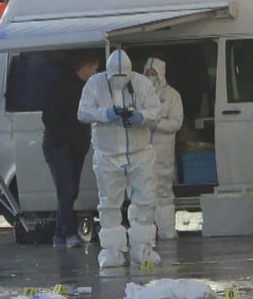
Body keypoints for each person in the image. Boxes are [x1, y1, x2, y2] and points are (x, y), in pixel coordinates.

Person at [78, 49, 162, 268]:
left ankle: (142, 248)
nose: (119, 81)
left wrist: (140, 116)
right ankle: (112, 250)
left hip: (140, 153)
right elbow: (83, 112)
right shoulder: (95, 85)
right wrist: (106, 114)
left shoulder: (142, 84)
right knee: (108, 205)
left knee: (146, 201)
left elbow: (156, 111)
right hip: (107, 155)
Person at [41, 52, 100, 248]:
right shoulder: (63, 87)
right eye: (93, 68)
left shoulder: (77, 86)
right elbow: (50, 117)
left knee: (69, 190)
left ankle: (60, 233)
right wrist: (66, 136)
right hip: (61, 145)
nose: (95, 73)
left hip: (72, 144)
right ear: (84, 67)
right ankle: (68, 232)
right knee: (66, 190)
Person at [141, 57, 184, 240]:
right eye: (148, 74)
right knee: (144, 192)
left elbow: (176, 123)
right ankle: (146, 232)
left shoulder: (172, 95)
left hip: (163, 152)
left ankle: (167, 231)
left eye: (154, 74)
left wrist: (155, 124)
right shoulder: (139, 94)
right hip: (142, 151)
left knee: (164, 192)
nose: (151, 77)